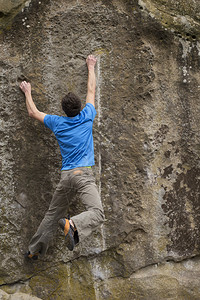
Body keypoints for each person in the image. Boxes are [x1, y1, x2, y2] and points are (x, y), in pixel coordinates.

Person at [20, 55, 105, 260]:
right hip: (83, 175)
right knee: (97, 213)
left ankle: (34, 250)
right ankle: (73, 224)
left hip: (66, 176)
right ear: (80, 108)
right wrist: (91, 67)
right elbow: (91, 91)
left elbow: (33, 112)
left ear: (64, 111)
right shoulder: (88, 116)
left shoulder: (57, 123)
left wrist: (27, 92)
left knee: (52, 214)